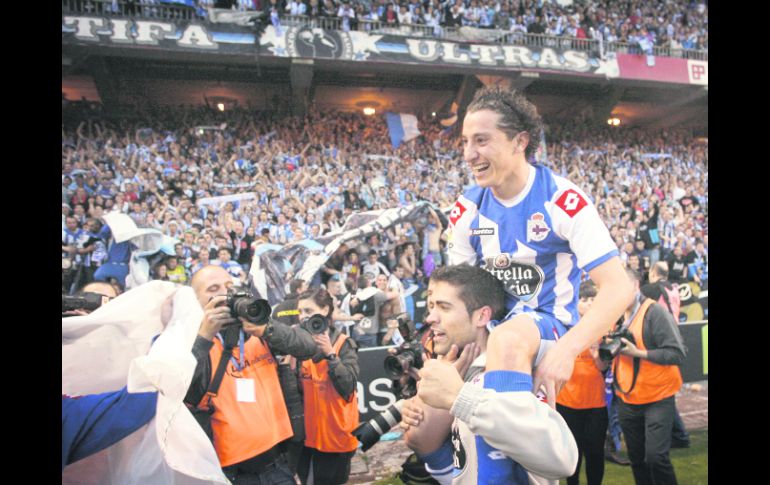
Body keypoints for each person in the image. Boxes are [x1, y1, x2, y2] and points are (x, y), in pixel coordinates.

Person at [445, 85, 633, 407]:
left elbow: (619, 288)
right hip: (492, 332)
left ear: (520, 141)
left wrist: (566, 350)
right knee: (425, 423)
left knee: (507, 340)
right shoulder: (466, 210)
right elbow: (459, 295)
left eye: (481, 140)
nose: (468, 154)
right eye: (465, 141)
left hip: (548, 328)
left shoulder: (562, 200)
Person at [401, 264, 577, 484]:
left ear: (482, 316)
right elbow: (429, 449)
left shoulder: (516, 372)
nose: (430, 318)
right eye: (430, 307)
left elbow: (562, 461)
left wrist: (460, 398)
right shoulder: (458, 371)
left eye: (444, 307)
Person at [183, 265, 318, 484]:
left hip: (278, 462)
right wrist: (205, 335)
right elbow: (184, 390)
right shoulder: (191, 341)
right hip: (232, 472)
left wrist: (266, 329)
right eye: (213, 288)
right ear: (195, 301)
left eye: (229, 286)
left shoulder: (256, 329)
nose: (225, 293)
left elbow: (307, 347)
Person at [610, 268, 686, 485]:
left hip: (658, 397)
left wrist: (639, 353)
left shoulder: (655, 312)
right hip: (627, 398)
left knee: (655, 458)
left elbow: (677, 353)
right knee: (636, 459)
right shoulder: (614, 315)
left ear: (635, 287)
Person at [295, 288, 360, 485]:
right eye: (300, 312)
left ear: (324, 310)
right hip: (308, 439)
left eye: (308, 310)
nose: (303, 317)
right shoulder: (297, 345)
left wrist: (331, 355)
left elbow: (348, 385)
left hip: (337, 437)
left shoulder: (343, 343)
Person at [555, 280, 609, 485]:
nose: (587, 304)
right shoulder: (563, 326)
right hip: (567, 401)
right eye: (583, 299)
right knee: (572, 453)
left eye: (592, 300)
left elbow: (603, 367)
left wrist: (596, 352)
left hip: (595, 402)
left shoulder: (604, 327)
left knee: (595, 452)